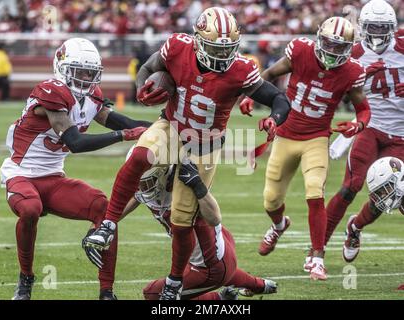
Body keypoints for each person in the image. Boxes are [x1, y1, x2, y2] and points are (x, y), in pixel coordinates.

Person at [84, 6, 291, 300]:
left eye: (227, 49)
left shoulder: (241, 69)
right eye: (213, 48)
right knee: (140, 156)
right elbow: (147, 68)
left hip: (205, 145)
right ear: (197, 40)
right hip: (171, 125)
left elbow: (277, 98)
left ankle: (175, 280)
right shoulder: (178, 47)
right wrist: (143, 87)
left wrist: (274, 118)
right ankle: (107, 225)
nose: (221, 56)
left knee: (182, 220)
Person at [0, 37, 150, 300]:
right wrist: (124, 135)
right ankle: (26, 279)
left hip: (54, 177)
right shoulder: (51, 92)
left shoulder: (91, 96)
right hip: (22, 174)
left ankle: (106, 291)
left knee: (104, 210)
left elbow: (118, 120)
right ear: (62, 67)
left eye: (90, 73)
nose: (85, 77)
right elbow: (76, 143)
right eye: (79, 71)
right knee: (31, 208)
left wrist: (163, 126)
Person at [239, 16, 371, 280]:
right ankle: (279, 225)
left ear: (348, 48)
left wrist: (357, 126)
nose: (333, 51)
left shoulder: (352, 71)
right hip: (286, 135)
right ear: (319, 39)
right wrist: (249, 95)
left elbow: (364, 110)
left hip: (316, 138)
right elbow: (268, 75)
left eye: (339, 46)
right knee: (271, 199)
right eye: (329, 44)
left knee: (314, 191)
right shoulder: (300, 51)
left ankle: (317, 257)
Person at [83, 146, 278, 300]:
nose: (140, 187)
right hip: (216, 249)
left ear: (162, 175)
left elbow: (214, 217)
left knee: (154, 294)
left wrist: (197, 184)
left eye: (145, 183)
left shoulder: (182, 186)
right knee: (199, 267)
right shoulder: (150, 188)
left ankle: (219, 298)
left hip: (211, 263)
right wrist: (98, 229)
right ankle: (260, 284)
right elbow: (129, 202)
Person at [324, 0, 404, 263]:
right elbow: (334, 88)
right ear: (363, 27)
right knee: (351, 186)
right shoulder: (353, 53)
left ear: (393, 29)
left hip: (401, 135)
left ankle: (354, 228)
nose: (378, 34)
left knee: (391, 196)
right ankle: (317, 250)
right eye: (373, 27)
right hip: (370, 127)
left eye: (383, 28)